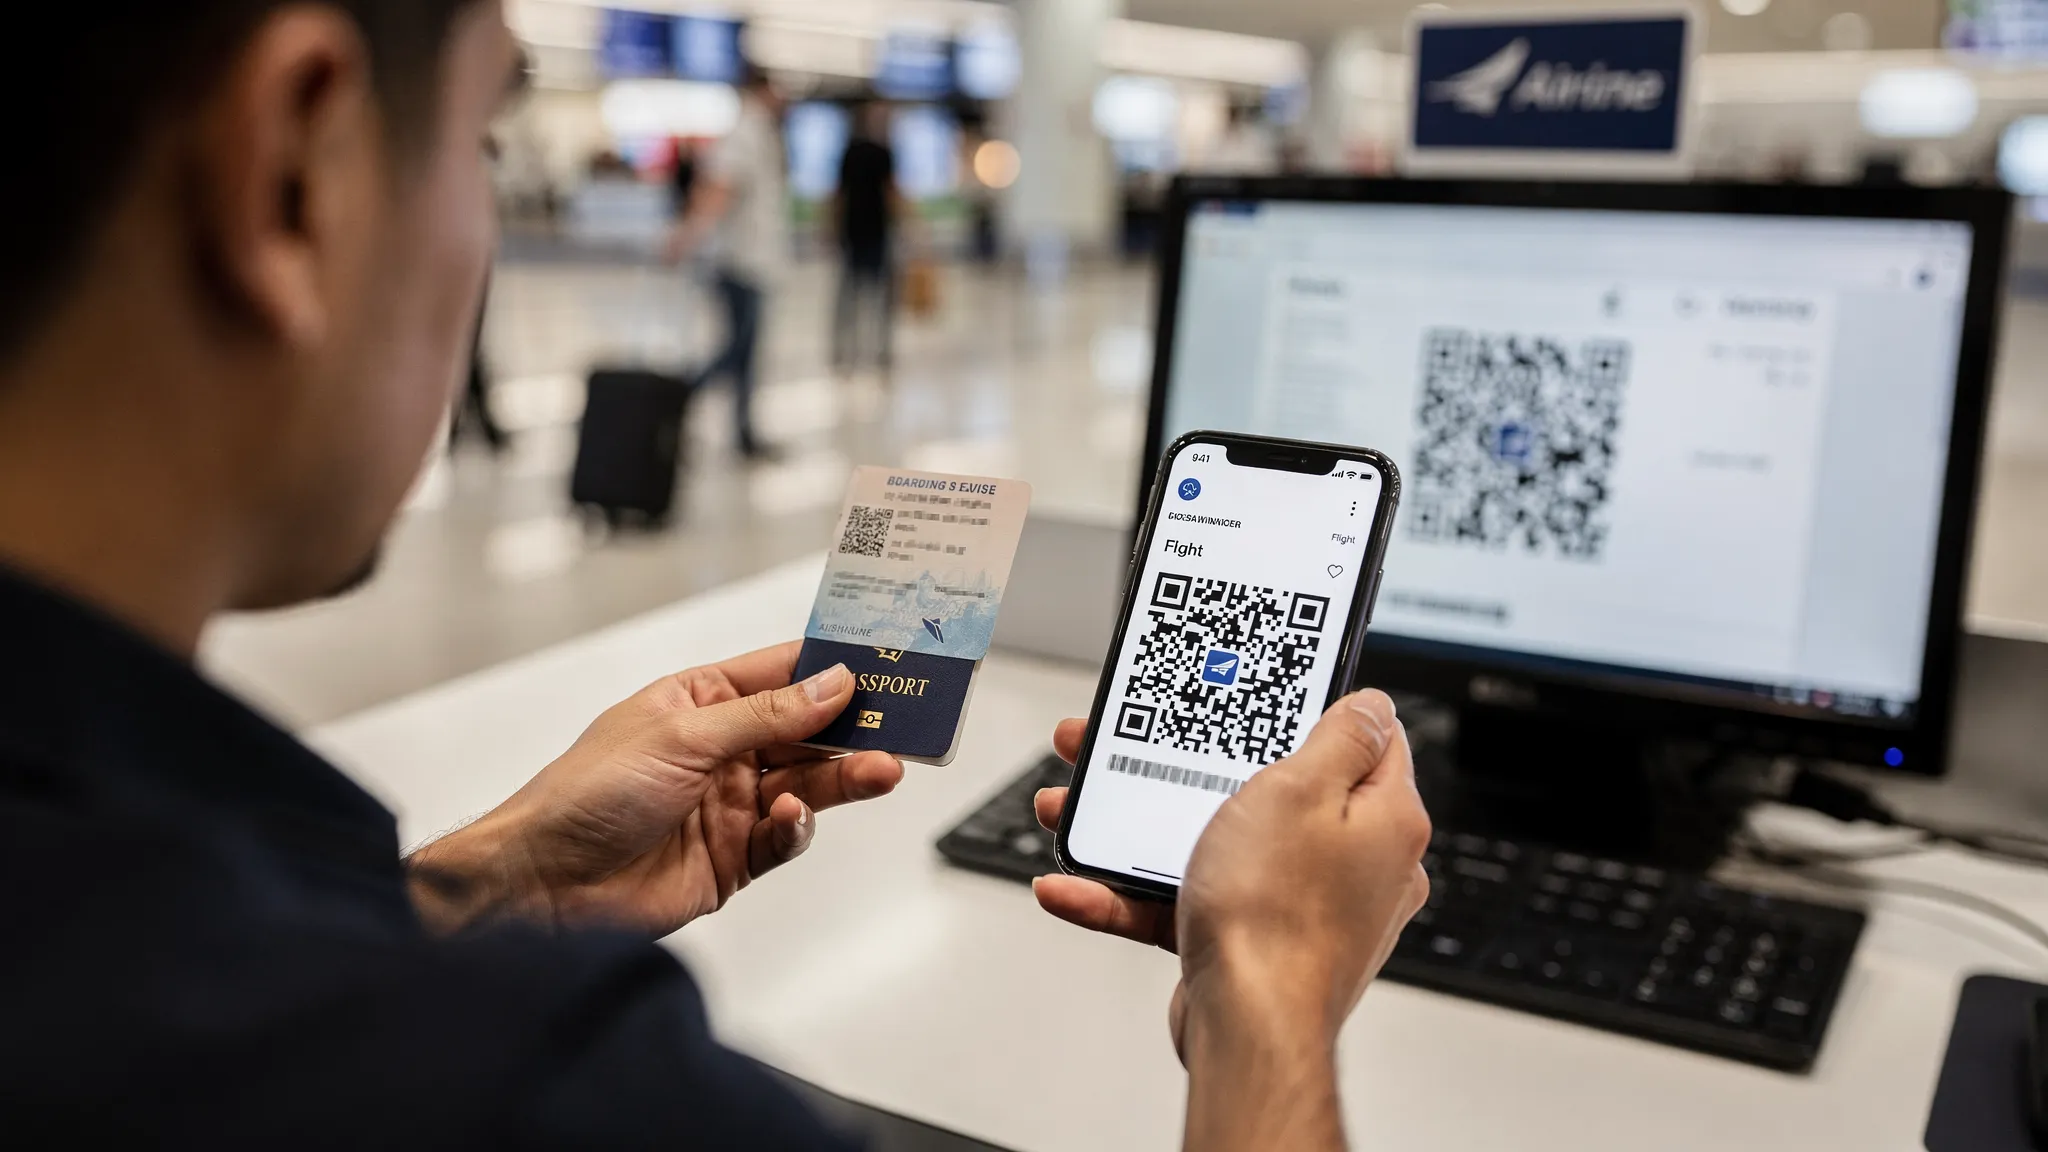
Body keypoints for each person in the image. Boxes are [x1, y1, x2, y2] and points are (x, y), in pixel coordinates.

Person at [0, 1, 1431, 1148]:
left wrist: (488, 890)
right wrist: (1269, 1002)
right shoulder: (516, 1091)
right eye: (482, 144)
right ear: (288, 162)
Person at [668, 63, 787, 461]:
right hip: (740, 262)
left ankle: (744, 433)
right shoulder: (744, 134)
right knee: (736, 350)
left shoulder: (759, 132)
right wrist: (687, 236)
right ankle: (679, 398)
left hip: (754, 259)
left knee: (746, 353)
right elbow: (719, 188)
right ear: (761, 89)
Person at [830, 101, 900, 374]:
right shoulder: (864, 153)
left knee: (867, 294)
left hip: (870, 231)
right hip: (862, 232)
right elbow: (841, 194)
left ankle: (867, 348)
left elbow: (840, 194)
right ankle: (856, 347)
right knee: (856, 294)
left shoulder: (872, 152)